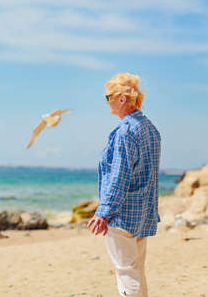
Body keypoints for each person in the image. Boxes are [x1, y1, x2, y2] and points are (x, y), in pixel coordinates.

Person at [87, 73, 161, 297]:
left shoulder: (125, 132)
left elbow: (119, 175)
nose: (106, 101)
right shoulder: (150, 128)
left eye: (108, 96)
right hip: (144, 212)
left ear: (121, 99)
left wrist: (103, 211)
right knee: (136, 271)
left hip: (123, 215)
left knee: (126, 272)